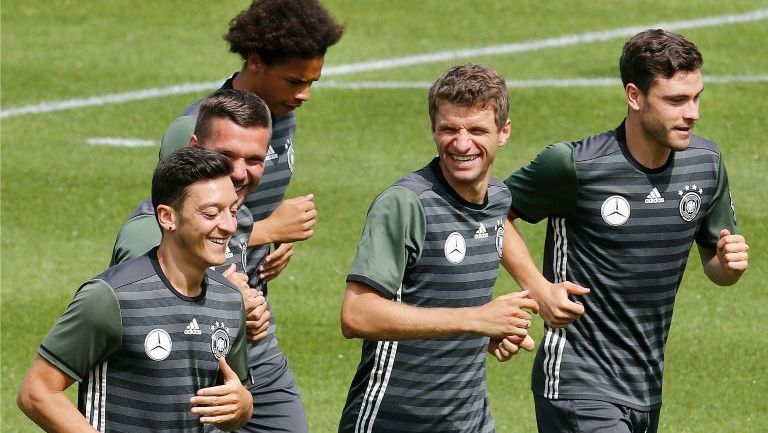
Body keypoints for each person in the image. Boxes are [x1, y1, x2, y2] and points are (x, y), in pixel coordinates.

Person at [501, 29, 750, 433]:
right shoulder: (575, 166)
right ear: (634, 96)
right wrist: (540, 289)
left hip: (646, 387)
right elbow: (493, 214)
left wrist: (728, 265)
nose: (693, 113)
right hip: (577, 382)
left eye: (696, 97)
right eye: (675, 101)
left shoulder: (705, 164)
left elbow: (716, 266)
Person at [158, 2, 344, 431]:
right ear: (256, 62)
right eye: (295, 81)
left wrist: (272, 241)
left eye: (312, 81)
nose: (304, 95)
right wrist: (264, 231)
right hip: (197, 330)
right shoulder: (196, 130)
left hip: (255, 328)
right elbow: (171, 229)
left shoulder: (280, 118)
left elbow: (242, 208)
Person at [338, 64, 540, 433]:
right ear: (433, 129)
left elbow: (451, 304)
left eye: (477, 130)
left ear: (504, 132)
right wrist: (475, 320)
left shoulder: (498, 199)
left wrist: (490, 329)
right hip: (392, 422)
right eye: (449, 129)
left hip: (470, 421)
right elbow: (357, 315)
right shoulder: (406, 204)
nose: (462, 144)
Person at [17, 147, 253, 432]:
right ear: (167, 217)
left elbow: (235, 401)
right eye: (211, 213)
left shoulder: (228, 299)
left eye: (232, 211)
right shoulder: (111, 298)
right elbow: (38, 392)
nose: (228, 226)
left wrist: (242, 406)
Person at [111, 89, 272, 343]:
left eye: (254, 160)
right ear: (194, 147)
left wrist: (244, 321)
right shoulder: (149, 234)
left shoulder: (239, 219)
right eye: (226, 156)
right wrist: (226, 304)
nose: (240, 173)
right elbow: (147, 336)